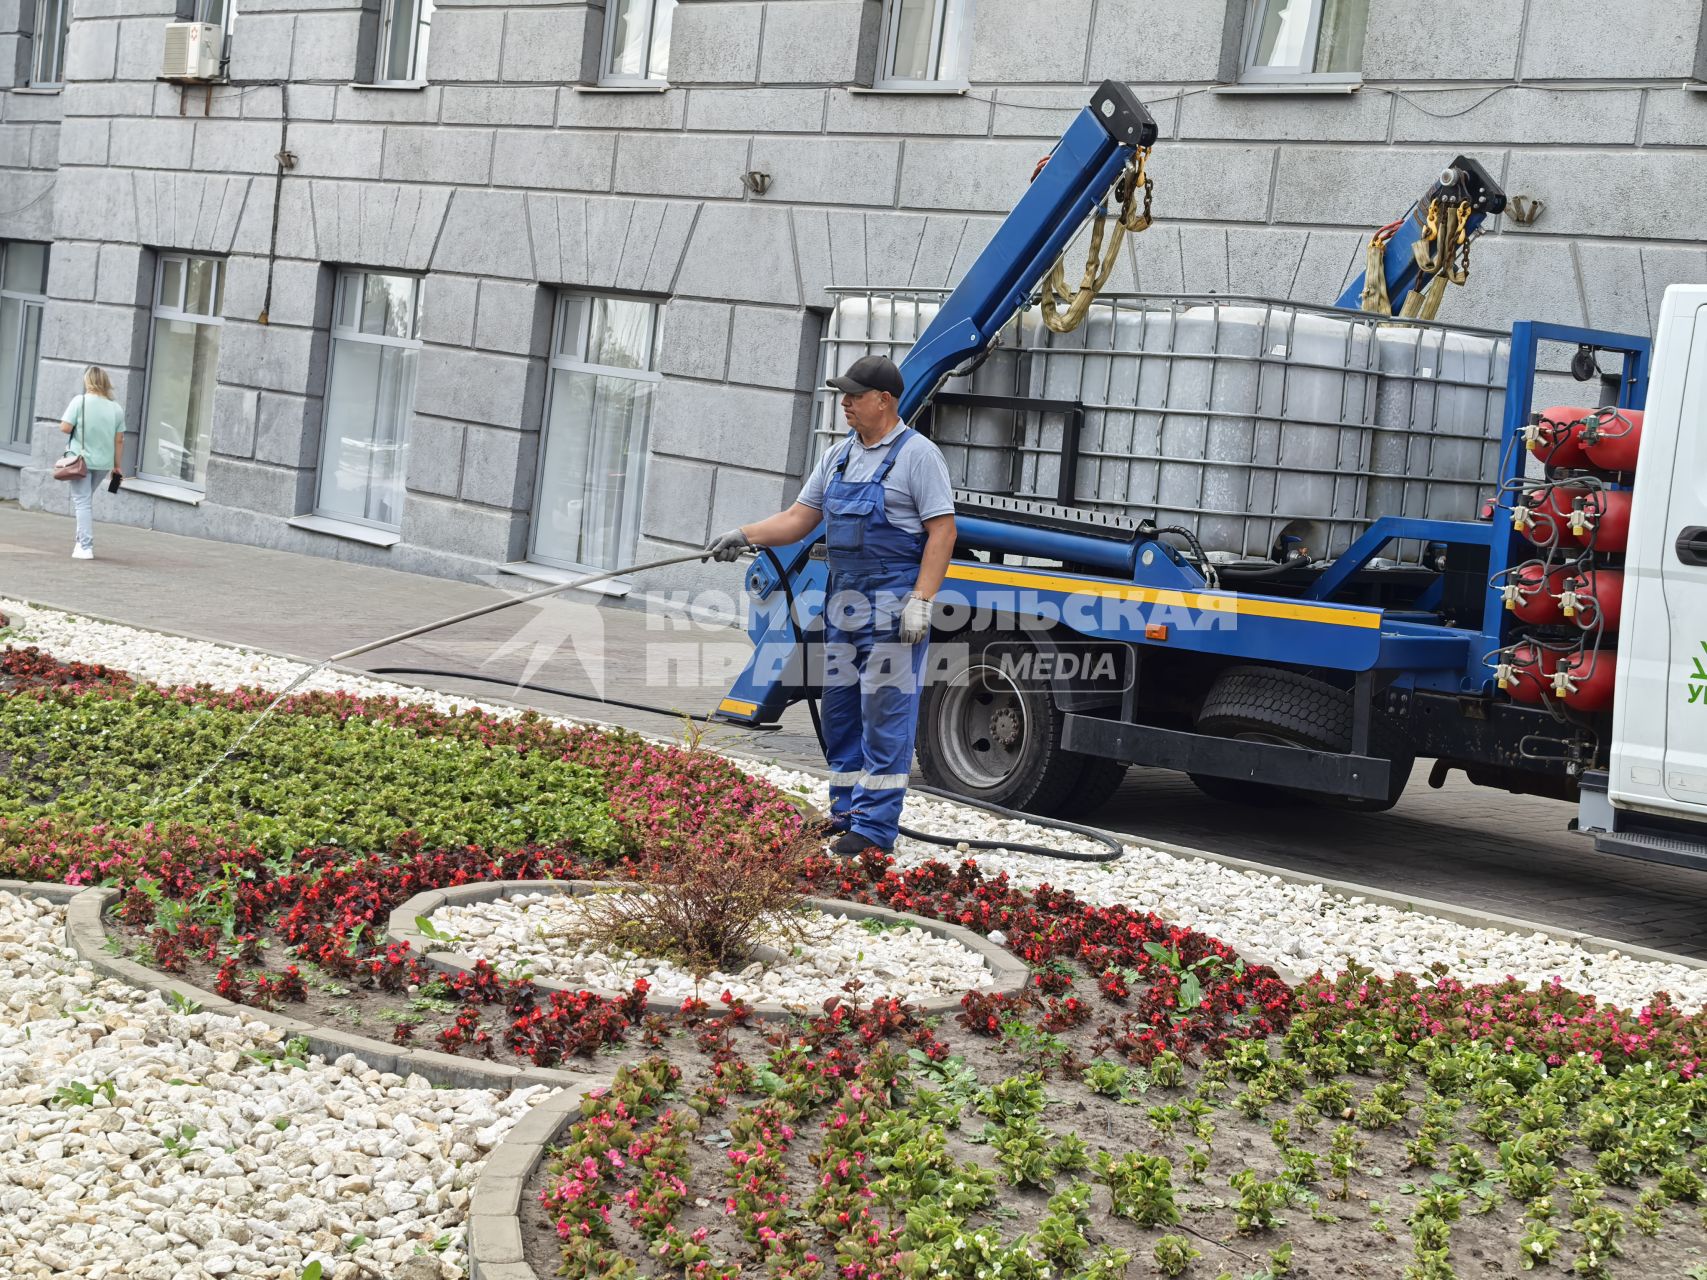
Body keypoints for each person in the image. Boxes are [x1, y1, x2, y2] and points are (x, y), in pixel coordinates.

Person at [706, 355, 957, 857]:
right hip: (843, 602)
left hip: (891, 604)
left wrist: (921, 601)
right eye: (843, 394)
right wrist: (745, 534)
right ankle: (845, 813)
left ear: (883, 400)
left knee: (884, 712)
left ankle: (875, 830)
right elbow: (800, 519)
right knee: (841, 709)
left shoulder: (918, 456)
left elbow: (942, 530)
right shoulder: (839, 456)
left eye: (854, 395)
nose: (844, 402)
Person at [59, 365, 125, 560]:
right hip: (104, 463)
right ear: (105, 383)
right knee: (85, 501)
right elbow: (119, 440)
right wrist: (116, 466)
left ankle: (85, 546)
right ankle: (80, 542)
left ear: (88, 381)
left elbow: (65, 427)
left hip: (81, 461)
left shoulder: (79, 401)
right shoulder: (116, 408)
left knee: (82, 503)